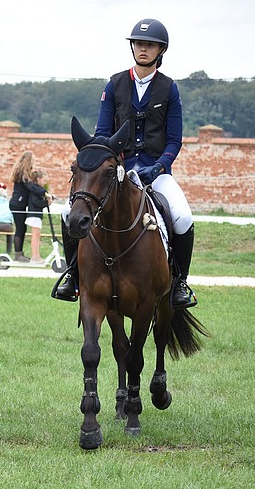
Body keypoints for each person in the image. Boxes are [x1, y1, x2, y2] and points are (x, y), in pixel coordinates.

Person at [55, 18, 197, 309]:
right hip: (116, 170)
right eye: (139, 44)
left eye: (149, 45)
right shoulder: (115, 84)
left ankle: (179, 282)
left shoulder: (169, 89)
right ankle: (72, 275)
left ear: (161, 50)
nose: (143, 49)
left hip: (155, 172)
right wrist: (110, 162)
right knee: (67, 211)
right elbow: (104, 132)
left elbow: (174, 140)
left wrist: (157, 168)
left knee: (182, 217)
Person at [9, 150, 47, 262]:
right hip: (17, 204)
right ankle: (17, 254)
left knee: (22, 229)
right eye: (33, 160)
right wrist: (44, 192)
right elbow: (31, 187)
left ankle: (19, 253)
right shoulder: (23, 174)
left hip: (20, 205)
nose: (34, 162)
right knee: (20, 229)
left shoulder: (26, 173)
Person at [25, 170, 53, 263]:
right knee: (35, 235)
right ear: (38, 179)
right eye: (44, 180)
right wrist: (46, 203)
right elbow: (36, 203)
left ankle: (37, 255)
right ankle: (34, 256)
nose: (45, 183)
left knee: (37, 235)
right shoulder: (36, 190)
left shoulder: (38, 190)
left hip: (37, 215)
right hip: (34, 214)